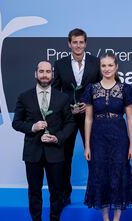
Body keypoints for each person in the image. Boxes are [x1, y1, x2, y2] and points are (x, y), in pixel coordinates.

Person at [12, 61, 75, 221]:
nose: (45, 75)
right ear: (36, 74)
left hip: (55, 152)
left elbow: (70, 123)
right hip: (33, 152)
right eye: (42, 71)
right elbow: (16, 122)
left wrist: (58, 138)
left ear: (52, 75)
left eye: (48, 71)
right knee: (34, 191)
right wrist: (32, 126)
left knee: (57, 191)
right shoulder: (24, 97)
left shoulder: (62, 98)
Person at [82, 52, 132, 221]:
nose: (106, 69)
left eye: (110, 65)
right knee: (100, 177)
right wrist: (87, 145)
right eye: (103, 66)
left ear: (116, 67)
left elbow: (130, 118)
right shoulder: (91, 89)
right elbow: (88, 118)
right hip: (98, 138)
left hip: (119, 137)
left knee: (118, 177)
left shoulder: (125, 89)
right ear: (100, 68)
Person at [53, 28, 101, 206]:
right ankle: (64, 194)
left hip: (91, 115)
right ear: (69, 44)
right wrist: (67, 108)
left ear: (85, 43)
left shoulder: (97, 63)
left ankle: (95, 193)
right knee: (65, 156)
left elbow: (100, 88)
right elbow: (55, 92)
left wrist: (90, 105)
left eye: (81, 42)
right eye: (75, 42)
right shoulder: (60, 64)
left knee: (94, 154)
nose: (78, 45)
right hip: (68, 117)